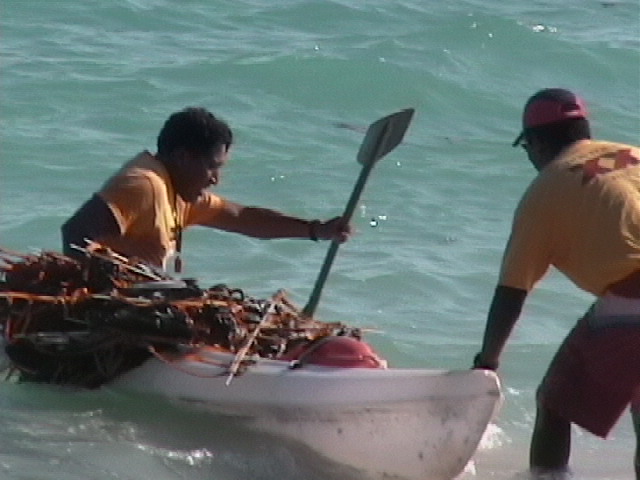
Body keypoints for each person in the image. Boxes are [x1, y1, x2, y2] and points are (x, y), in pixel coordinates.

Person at [471, 88, 640, 476]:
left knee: (554, 403)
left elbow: (512, 291)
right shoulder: (630, 156)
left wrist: (487, 361)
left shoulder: (548, 188)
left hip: (633, 300)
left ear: (537, 142)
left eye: (526, 148)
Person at [61, 107, 352, 273]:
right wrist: (95, 294)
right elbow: (76, 233)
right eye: (212, 167)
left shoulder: (178, 190)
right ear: (183, 157)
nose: (216, 179)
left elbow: (241, 217)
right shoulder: (144, 185)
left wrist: (316, 230)